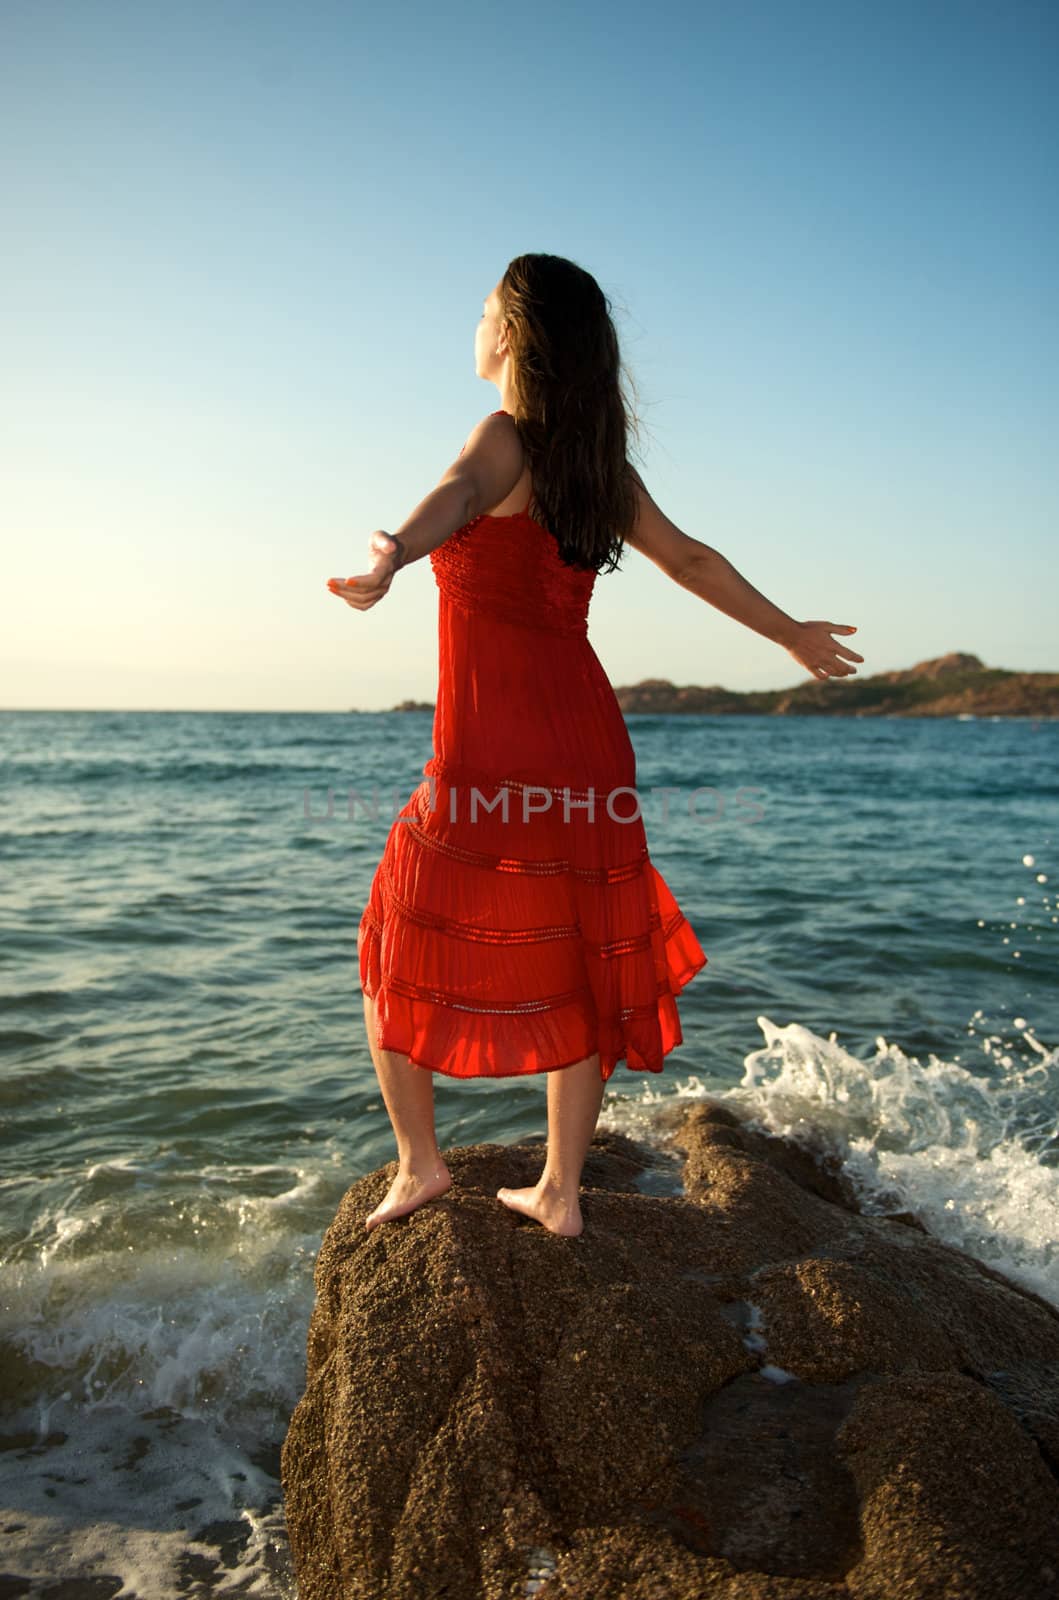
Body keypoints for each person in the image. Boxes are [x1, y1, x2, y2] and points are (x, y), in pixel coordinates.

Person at [327, 253, 862, 1238]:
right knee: (579, 948)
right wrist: (787, 632)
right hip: (585, 735)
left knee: (395, 932)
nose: (475, 324)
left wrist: (395, 551)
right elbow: (690, 559)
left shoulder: (503, 437)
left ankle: (421, 1163)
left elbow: (454, 492)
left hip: (494, 741)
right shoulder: (596, 467)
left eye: (486, 310)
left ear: (515, 335)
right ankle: (561, 1192)